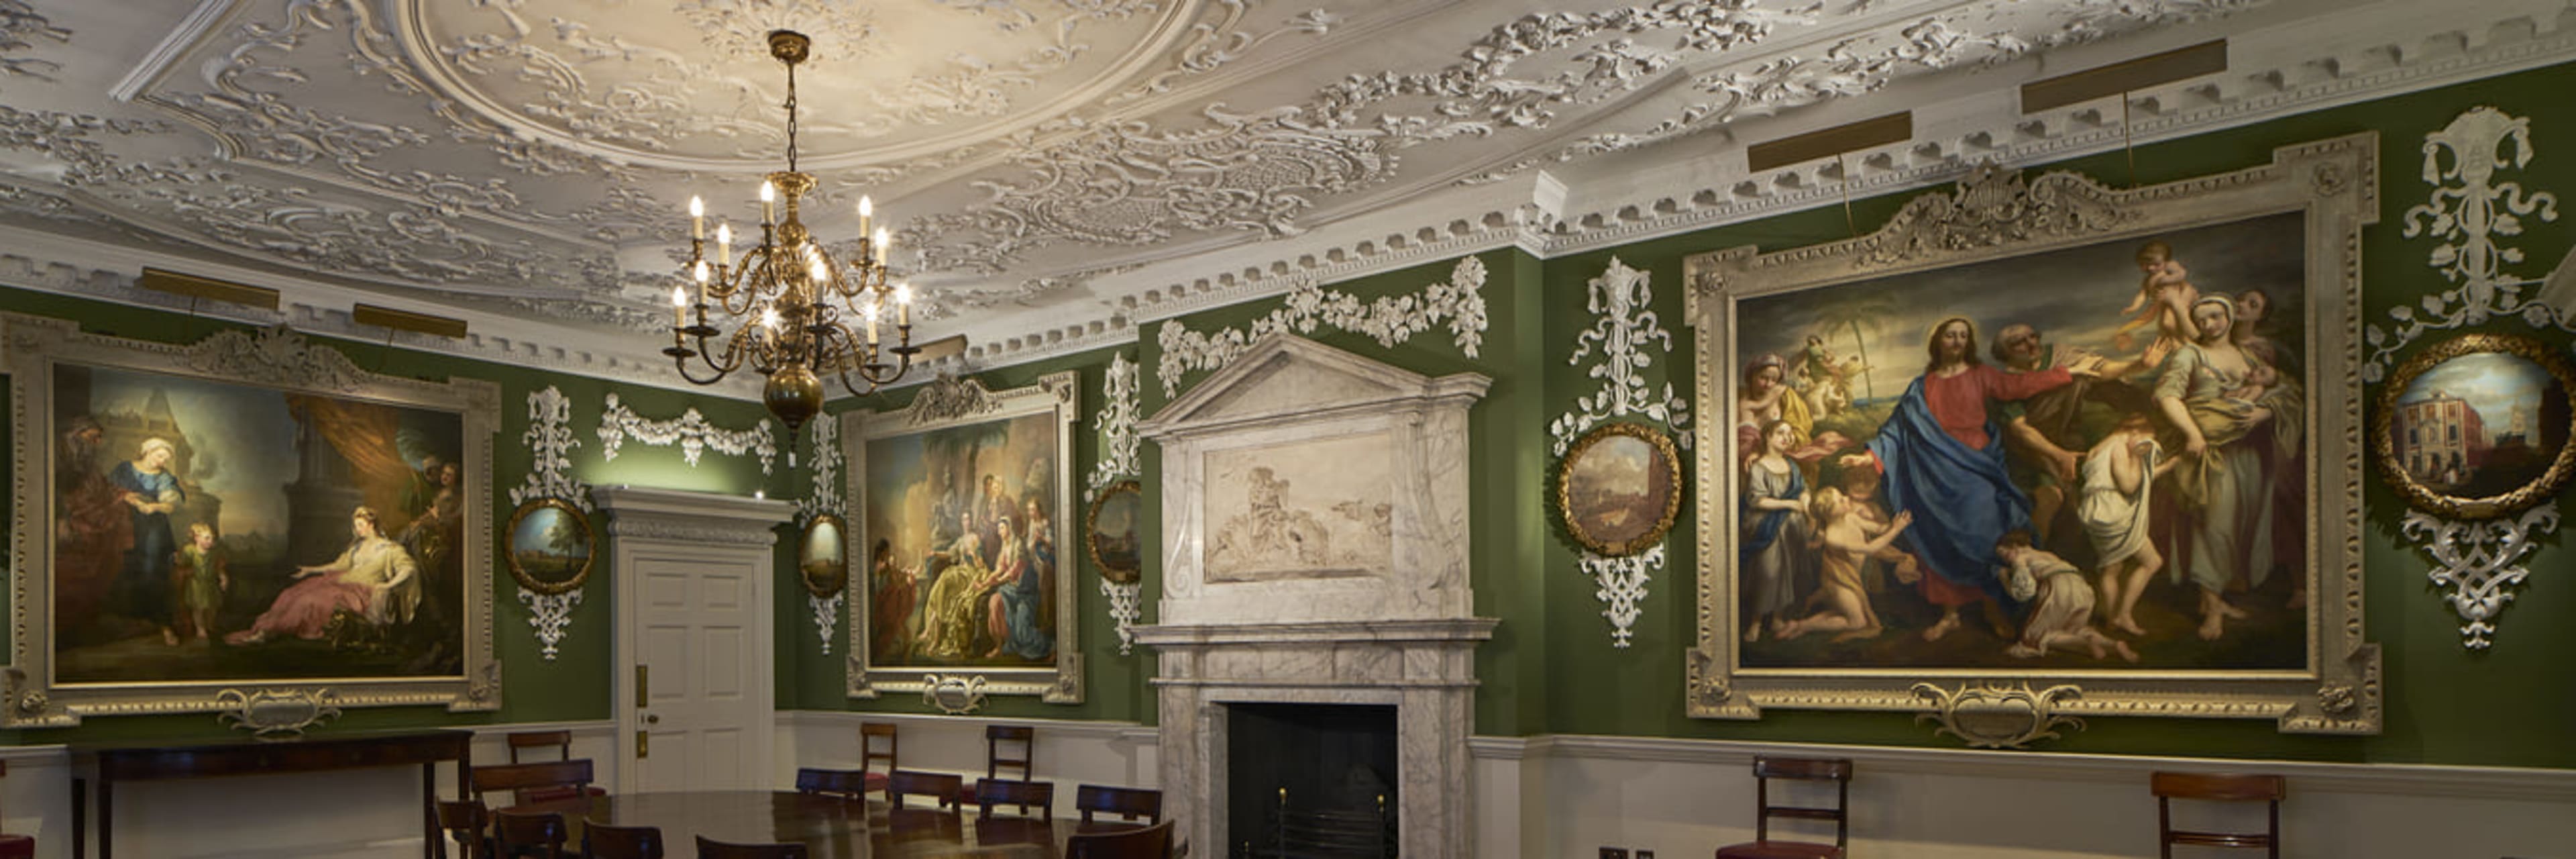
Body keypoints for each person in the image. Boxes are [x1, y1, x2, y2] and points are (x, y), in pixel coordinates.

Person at [1839, 317, 2099, 642]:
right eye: (1951, 335)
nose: (1958, 341)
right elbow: (1896, 430)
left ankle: (1993, 607)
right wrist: (1869, 457)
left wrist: (2068, 373)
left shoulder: (1982, 375)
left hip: (1975, 467)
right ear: (1938, 341)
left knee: (1987, 535)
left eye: (1964, 336)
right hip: (1934, 473)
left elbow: (2018, 386)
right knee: (1941, 541)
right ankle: (1951, 616)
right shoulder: (1921, 387)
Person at [2155, 295, 2300, 640]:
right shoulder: (2190, 354)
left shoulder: (2247, 354)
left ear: (2230, 317)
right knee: (2215, 523)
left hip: (2252, 451)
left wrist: (2265, 412)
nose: (2209, 325)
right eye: (2202, 319)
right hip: (2211, 450)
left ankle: (2216, 599)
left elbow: (2286, 391)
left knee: (2244, 522)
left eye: (2216, 317)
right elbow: (2167, 396)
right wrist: (2192, 433)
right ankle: (2212, 604)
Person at [228, 507, 421, 645]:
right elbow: (338, 565)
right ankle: (266, 630)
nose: (358, 530)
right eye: (356, 526)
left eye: (361, 525)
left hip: (362, 592)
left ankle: (271, 631)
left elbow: (409, 569)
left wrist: (388, 586)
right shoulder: (357, 548)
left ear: (372, 525)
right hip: (341, 582)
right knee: (291, 594)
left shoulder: (390, 549)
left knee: (311, 599)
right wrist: (310, 570)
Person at [2078, 412, 2176, 637]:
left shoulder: (2100, 447)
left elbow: (2136, 479)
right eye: (2146, 440)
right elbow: (2130, 485)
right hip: (2112, 510)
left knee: (2112, 567)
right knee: (2152, 562)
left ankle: (2112, 619)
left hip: (2095, 508)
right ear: (2134, 432)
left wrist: (2168, 466)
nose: (2147, 447)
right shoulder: (2119, 448)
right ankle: (2122, 615)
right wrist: (2139, 458)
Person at [1776, 487, 1917, 642]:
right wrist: (1897, 529)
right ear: (1831, 512)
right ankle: (1801, 626)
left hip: (1851, 578)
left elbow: (1878, 529)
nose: (1846, 498)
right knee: (1858, 623)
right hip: (1839, 582)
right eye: (1840, 500)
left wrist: (1894, 525)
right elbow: (1871, 548)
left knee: (1843, 613)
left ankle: (1799, 626)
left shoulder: (1851, 518)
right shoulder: (1833, 536)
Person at [1995, 532, 2138, 662]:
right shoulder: (2049, 555)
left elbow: (2024, 593)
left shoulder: (2020, 558)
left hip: (2059, 587)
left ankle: (2086, 645)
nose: (2007, 560)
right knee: (2073, 629)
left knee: (2033, 636)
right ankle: (2113, 645)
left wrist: (2005, 579)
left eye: (2004, 554)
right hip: (2082, 587)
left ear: (2014, 547)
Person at [1739, 419, 1813, 642]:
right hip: (1765, 525)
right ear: (1768, 437)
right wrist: (1789, 505)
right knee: (1767, 572)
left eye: (1789, 434)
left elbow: (1803, 490)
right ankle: (1756, 622)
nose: (1787, 438)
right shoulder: (1759, 467)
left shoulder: (1791, 465)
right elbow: (1756, 501)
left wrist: (1805, 503)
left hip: (1790, 526)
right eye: (1780, 433)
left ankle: (1778, 617)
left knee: (1785, 571)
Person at [111, 437, 185, 646]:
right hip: (124, 525)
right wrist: (130, 499)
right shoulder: (124, 469)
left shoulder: (164, 477)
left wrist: (154, 507)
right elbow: (108, 491)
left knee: (153, 569)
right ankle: (131, 620)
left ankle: (162, 623)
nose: (163, 461)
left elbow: (170, 504)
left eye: (166, 458)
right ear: (147, 452)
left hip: (154, 530)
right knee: (124, 566)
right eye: (160, 456)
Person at [2113, 240, 2199, 372]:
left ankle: (2192, 350)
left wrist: (2167, 280)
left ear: (2166, 261)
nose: (2151, 268)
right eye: (2146, 265)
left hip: (2177, 300)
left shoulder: (2169, 269)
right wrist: (2134, 307)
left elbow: (2182, 274)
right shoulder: (2148, 280)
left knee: (2171, 324)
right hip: (2163, 306)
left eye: (2156, 264)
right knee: (2166, 330)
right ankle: (2179, 355)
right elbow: (2142, 295)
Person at [918, 509, 990, 659]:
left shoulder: (975, 538)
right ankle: (932, 632)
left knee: (947, 579)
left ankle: (933, 635)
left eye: (968, 519)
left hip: (970, 574)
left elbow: (981, 564)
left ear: (972, 521)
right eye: (964, 520)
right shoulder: (960, 540)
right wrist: (935, 554)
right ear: (961, 522)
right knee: (942, 584)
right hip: (960, 572)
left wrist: (974, 555)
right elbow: (950, 554)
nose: (966, 522)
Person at [983, 509, 1052, 660]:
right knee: (994, 602)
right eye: (998, 529)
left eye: (1001, 528)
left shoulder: (1018, 544)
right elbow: (1000, 568)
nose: (999, 532)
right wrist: (986, 582)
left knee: (1023, 632)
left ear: (1009, 528)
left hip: (1024, 592)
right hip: (1010, 590)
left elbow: (1016, 568)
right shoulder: (1004, 547)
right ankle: (999, 646)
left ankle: (1051, 647)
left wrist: (999, 581)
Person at [173, 521, 229, 643]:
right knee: (198, 608)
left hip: (210, 584)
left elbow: (218, 567)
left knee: (212, 607)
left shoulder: (214, 553)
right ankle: (200, 628)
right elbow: (182, 564)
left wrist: (223, 578)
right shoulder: (190, 550)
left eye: (212, 538)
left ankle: (210, 625)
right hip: (196, 585)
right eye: (207, 538)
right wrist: (179, 560)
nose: (210, 541)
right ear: (197, 538)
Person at [869, 539, 918, 661]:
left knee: (903, 633)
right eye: (886, 552)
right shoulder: (881, 567)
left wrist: (907, 576)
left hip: (892, 604)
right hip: (887, 606)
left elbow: (898, 577)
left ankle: (904, 657)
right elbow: (883, 587)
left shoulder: (889, 568)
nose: (888, 555)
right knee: (893, 632)